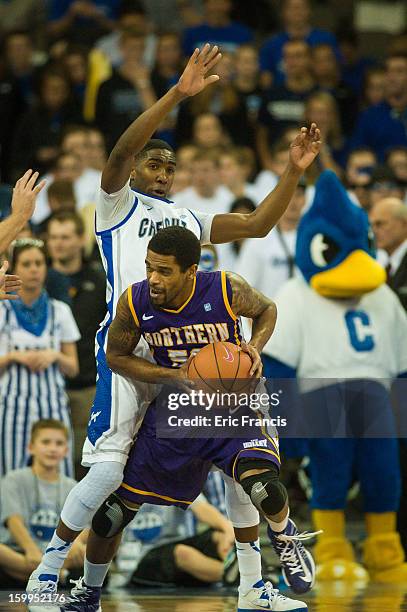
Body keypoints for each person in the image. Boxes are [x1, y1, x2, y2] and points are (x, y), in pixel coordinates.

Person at [28, 43, 321, 597]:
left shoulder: (188, 218)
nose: (161, 172)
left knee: (244, 470)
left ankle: (255, 586)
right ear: (138, 168)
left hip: (188, 350)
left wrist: (290, 171)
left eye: (169, 166)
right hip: (130, 343)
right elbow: (118, 151)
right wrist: (177, 95)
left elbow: (258, 224)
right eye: (153, 163)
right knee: (111, 474)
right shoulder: (115, 205)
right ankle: (49, 569)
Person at [70, 226, 314, 611]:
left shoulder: (226, 288)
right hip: (177, 409)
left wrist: (253, 346)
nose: (153, 278)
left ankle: (281, 542)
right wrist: (175, 376)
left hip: (237, 402)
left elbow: (267, 309)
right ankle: (88, 592)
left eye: (164, 270)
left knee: (263, 489)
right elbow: (116, 357)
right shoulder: (134, 301)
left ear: (191, 271)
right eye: (150, 267)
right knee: (112, 515)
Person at [0, 238, 80, 477]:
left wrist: (53, 355)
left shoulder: (60, 310)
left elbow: (73, 367)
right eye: (26, 264)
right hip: (11, 404)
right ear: (14, 270)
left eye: (39, 263)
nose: (34, 269)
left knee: (61, 473)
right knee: (9, 475)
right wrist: (15, 357)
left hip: (52, 403)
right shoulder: (2, 309)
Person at [46, 211, 106, 478]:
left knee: (86, 459)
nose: (59, 243)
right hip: (46, 386)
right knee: (48, 458)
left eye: (66, 237)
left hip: (88, 384)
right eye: (54, 237)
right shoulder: (38, 278)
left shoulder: (100, 278)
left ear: (82, 239)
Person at [0, 419, 88, 589]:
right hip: (21, 551)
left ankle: (33, 574)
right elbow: (13, 520)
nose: (52, 448)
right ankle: (58, 576)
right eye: (46, 442)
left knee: (90, 553)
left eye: (59, 443)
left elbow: (86, 526)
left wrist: (76, 543)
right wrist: (31, 549)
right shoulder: (14, 479)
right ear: (31, 447)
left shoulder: (72, 486)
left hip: (58, 555)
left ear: (66, 451)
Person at [126, 494, 234, 587]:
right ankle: (237, 576)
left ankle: (235, 568)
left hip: (176, 552)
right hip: (140, 563)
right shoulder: (126, 481)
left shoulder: (174, 479)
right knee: (182, 552)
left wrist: (228, 530)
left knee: (219, 536)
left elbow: (202, 508)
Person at [95, 28, 157, 152]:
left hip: (148, 146)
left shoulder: (156, 79)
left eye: (140, 48)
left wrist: (142, 84)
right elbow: (100, 123)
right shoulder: (107, 85)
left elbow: (159, 122)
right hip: (115, 147)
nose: (135, 53)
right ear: (121, 49)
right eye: (131, 48)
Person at [256, 40, 315, 166]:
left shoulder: (318, 95)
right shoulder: (271, 94)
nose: (292, 62)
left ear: (309, 59)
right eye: (288, 57)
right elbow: (261, 134)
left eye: (298, 56)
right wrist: (267, 163)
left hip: (311, 165)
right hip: (277, 166)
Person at [259, 0, 338, 86]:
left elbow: (336, 72)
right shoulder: (271, 44)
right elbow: (265, 78)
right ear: (283, 12)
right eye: (292, 8)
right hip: (282, 96)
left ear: (309, 10)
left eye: (301, 7)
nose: (297, 11)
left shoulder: (326, 39)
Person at [350, 51, 407, 161]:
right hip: (382, 176)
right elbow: (356, 156)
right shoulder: (369, 117)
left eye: (399, 71)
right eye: (387, 71)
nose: (391, 77)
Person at [369, 197, 407, 310]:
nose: (374, 231)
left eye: (380, 224)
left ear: (404, 224)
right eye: (372, 225)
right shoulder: (382, 265)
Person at [182, 0, 253, 56]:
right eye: (213, 2)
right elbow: (185, 61)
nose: (217, 7)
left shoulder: (242, 33)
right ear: (206, 4)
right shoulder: (193, 33)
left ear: (230, 4)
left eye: (222, 2)